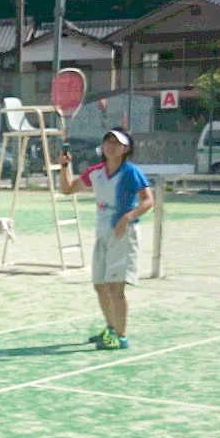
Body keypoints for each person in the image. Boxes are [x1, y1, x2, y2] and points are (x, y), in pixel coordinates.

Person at [59, 128, 153, 350]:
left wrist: (128, 217)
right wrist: (64, 166)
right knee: (100, 286)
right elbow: (67, 189)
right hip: (102, 234)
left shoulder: (131, 172)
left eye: (117, 142)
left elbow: (148, 200)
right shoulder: (96, 172)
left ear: (126, 149)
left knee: (115, 287)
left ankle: (120, 336)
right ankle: (110, 329)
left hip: (123, 235)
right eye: (108, 141)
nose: (111, 145)